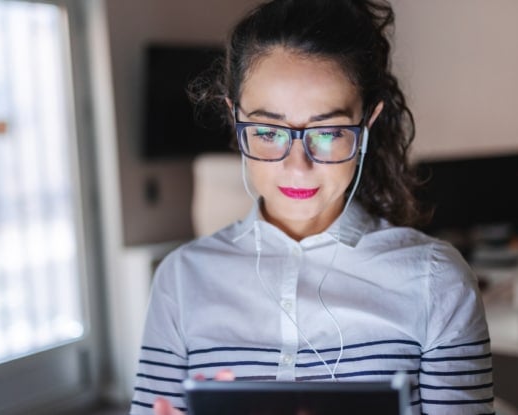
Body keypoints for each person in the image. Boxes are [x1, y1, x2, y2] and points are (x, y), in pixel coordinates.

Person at [131, 0, 494, 414]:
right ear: (235, 118)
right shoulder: (180, 281)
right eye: (268, 131)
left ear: (367, 123)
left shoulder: (437, 281)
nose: (297, 166)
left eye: (328, 132)